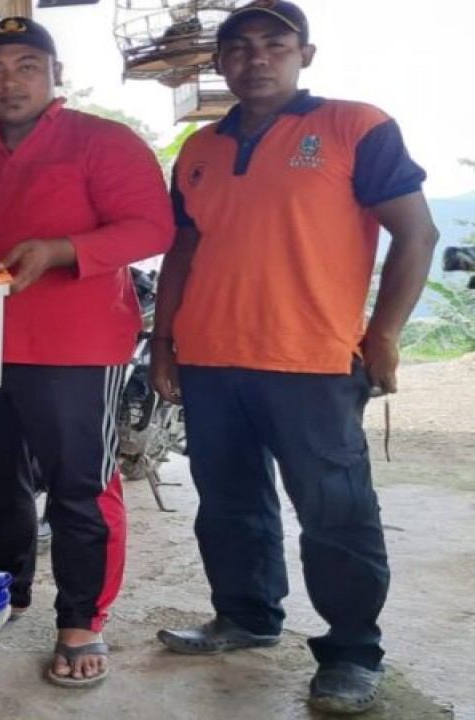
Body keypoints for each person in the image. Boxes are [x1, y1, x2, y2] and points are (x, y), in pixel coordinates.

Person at [150, 2, 439, 714]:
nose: (257, 58)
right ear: (219, 63)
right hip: (213, 359)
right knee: (228, 504)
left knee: (335, 514)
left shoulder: (354, 126)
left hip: (312, 361)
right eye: (239, 48)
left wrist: (385, 334)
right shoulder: (199, 149)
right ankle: (246, 617)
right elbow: (183, 249)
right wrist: (165, 340)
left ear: (305, 54)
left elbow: (418, 234)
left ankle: (351, 652)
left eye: (275, 45)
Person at [0, 16, 173, 688]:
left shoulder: (102, 142)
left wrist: (61, 251)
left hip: (76, 347)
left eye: (27, 65)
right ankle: (4, 589)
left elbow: (151, 226)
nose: (9, 81)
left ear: (54, 75)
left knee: (78, 488)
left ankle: (82, 619)